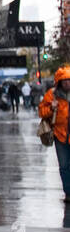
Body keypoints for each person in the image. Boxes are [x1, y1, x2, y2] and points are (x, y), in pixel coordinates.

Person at [39, 67, 70, 201]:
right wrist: (51, 108)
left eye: (69, 80)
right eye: (65, 81)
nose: (67, 83)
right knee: (64, 166)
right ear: (59, 82)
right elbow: (42, 112)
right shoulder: (52, 95)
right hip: (60, 136)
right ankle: (68, 192)